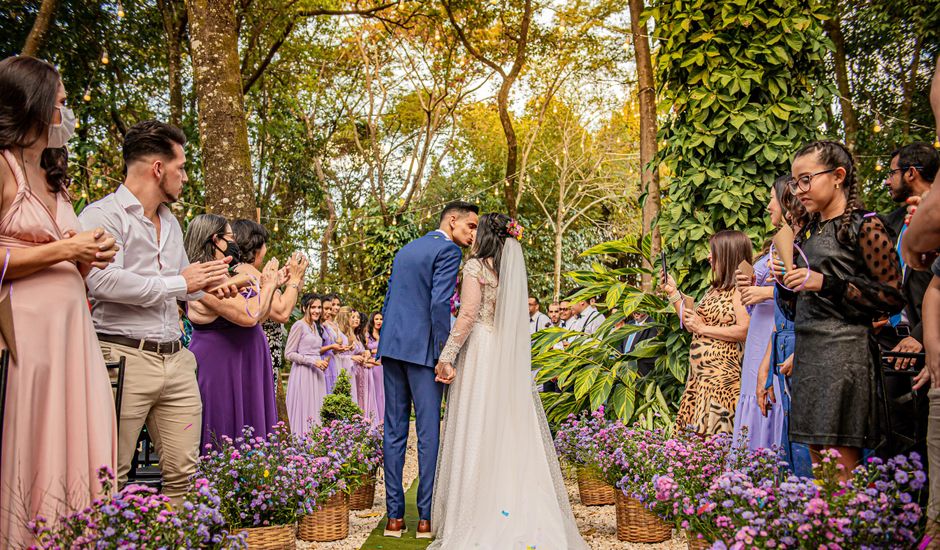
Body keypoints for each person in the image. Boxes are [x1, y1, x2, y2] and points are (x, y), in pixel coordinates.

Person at [81, 120, 239, 511]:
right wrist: (179, 283)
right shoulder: (102, 215)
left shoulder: (171, 223)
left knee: (183, 473)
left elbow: (185, 282)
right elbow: (102, 282)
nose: (184, 176)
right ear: (157, 168)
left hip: (177, 360)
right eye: (181, 167)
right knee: (108, 473)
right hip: (122, 358)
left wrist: (214, 287)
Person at [0, 55, 119, 546]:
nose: (66, 114)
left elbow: (66, 255)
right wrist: (65, 248)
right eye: (61, 103)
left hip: (74, 329)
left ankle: (78, 536)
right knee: (38, 433)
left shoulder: (53, 173)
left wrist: (89, 254)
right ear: (34, 103)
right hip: (27, 329)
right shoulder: (2, 166)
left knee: (83, 433)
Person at [430, 213, 588, 549]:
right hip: (504, 352)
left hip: (482, 353)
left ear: (485, 234)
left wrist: (446, 356)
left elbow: (468, 315)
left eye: (477, 228)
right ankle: (520, 505)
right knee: (510, 426)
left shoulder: (476, 268)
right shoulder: (510, 273)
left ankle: (474, 514)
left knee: (478, 423)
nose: (472, 234)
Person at [771, 140, 904, 479]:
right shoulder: (808, 234)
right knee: (820, 464)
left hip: (845, 358)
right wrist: (786, 285)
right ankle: (827, 529)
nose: (799, 190)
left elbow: (892, 296)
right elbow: (795, 309)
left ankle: (848, 531)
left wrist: (825, 283)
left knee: (841, 465)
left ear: (838, 176)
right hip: (810, 356)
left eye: (806, 179)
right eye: (795, 180)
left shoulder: (866, 226)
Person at [378, 201, 478, 539]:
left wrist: (386, 342)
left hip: (392, 348)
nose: (472, 234)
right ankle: (425, 518)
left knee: (393, 430)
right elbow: (439, 303)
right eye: (471, 226)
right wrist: (442, 354)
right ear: (452, 221)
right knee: (428, 433)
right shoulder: (448, 252)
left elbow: (390, 298)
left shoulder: (406, 250)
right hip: (423, 352)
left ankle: (393, 519)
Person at [185, 214, 282, 450]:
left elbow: (263, 313)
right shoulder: (202, 277)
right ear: (215, 240)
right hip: (221, 364)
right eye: (230, 237)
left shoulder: (226, 275)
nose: (234, 243)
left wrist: (267, 283)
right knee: (224, 429)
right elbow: (250, 315)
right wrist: (268, 285)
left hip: (245, 363)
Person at [662, 230, 752, 436]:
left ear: (728, 254)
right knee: (694, 444)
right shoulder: (715, 289)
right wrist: (673, 293)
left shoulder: (740, 289)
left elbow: (745, 329)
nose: (709, 257)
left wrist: (704, 328)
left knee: (714, 441)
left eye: (713, 252)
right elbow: (692, 322)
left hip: (720, 381)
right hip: (699, 379)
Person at [752, 177, 813, 476]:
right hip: (782, 342)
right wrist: (766, 364)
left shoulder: (811, 246)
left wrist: (803, 348)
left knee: (808, 440)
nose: (769, 206)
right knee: (789, 436)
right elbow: (782, 311)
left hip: (807, 342)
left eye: (772, 199)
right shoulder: (786, 242)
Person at [232, 219, 308, 429]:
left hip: (252, 351)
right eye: (264, 244)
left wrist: (277, 282)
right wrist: (295, 279)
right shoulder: (249, 272)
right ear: (256, 246)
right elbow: (283, 312)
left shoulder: (239, 271)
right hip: (260, 351)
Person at [731, 177, 787, 452]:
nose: (768, 206)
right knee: (754, 395)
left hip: (776, 330)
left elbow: (800, 290)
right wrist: (750, 288)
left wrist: (765, 293)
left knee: (771, 395)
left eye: (772, 198)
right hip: (759, 331)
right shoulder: (775, 245)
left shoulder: (797, 242)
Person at [285, 293, 329, 436]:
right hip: (303, 373)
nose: (317, 310)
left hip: (317, 374)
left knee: (316, 409)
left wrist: (321, 361)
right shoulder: (299, 325)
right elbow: (289, 353)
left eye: (319, 307)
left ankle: (316, 443)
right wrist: (312, 361)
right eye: (313, 307)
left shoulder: (316, 327)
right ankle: (300, 443)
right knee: (304, 408)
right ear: (304, 308)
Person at [620, 311, 659, 376]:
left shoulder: (653, 324)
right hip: (624, 368)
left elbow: (648, 348)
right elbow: (620, 343)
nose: (636, 312)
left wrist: (628, 358)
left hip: (642, 371)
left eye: (639, 308)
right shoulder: (629, 323)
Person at [364, 311, 385, 425]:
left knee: (383, 392)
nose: (379, 321)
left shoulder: (383, 334)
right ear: (372, 320)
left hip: (383, 366)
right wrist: (377, 351)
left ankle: (383, 418)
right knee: (376, 392)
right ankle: (377, 418)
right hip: (373, 366)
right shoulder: (368, 335)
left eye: (381, 319)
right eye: (376, 319)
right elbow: (366, 349)